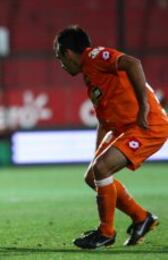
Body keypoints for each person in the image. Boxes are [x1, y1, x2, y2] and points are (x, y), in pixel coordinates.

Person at [53, 25, 168, 249]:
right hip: (123, 128)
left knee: (101, 169)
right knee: (92, 175)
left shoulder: (95, 57)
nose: (61, 65)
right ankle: (141, 217)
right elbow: (104, 121)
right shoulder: (90, 74)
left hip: (147, 124)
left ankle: (105, 233)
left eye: (60, 58)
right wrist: (96, 157)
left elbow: (133, 63)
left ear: (68, 53)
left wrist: (143, 105)